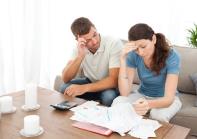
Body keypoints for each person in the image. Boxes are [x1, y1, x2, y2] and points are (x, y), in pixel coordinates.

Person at [112, 23, 182, 122]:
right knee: (118, 102)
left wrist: (148, 104)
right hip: (143, 95)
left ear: (153, 39)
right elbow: (124, 92)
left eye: (143, 47)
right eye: (136, 49)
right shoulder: (133, 54)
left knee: (157, 115)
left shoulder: (172, 56)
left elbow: (169, 99)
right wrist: (123, 59)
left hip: (166, 99)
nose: (140, 53)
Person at [59, 17, 123, 106]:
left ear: (95, 28)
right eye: (88, 40)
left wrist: (84, 88)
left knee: (108, 97)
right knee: (65, 88)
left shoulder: (113, 43)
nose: (94, 41)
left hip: (109, 86)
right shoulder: (79, 48)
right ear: (79, 40)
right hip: (90, 82)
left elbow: (114, 80)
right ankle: (85, 110)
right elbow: (65, 78)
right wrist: (80, 56)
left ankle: (91, 104)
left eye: (94, 34)